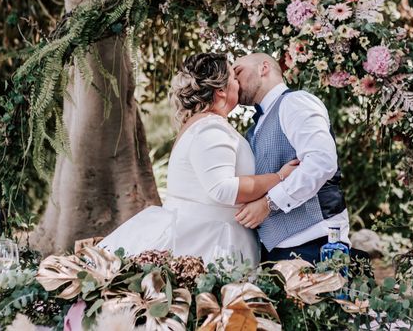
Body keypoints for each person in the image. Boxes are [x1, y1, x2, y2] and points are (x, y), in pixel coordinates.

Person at [98, 53, 299, 265]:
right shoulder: (210, 128)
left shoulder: (203, 124)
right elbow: (223, 189)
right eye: (233, 77)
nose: (238, 82)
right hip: (210, 244)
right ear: (220, 90)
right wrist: (279, 177)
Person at [232, 52, 350, 264]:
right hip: (275, 249)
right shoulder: (254, 129)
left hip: (315, 241)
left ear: (264, 67)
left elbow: (321, 162)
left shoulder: (295, 102)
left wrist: (268, 203)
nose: (233, 80)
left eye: (238, 71)